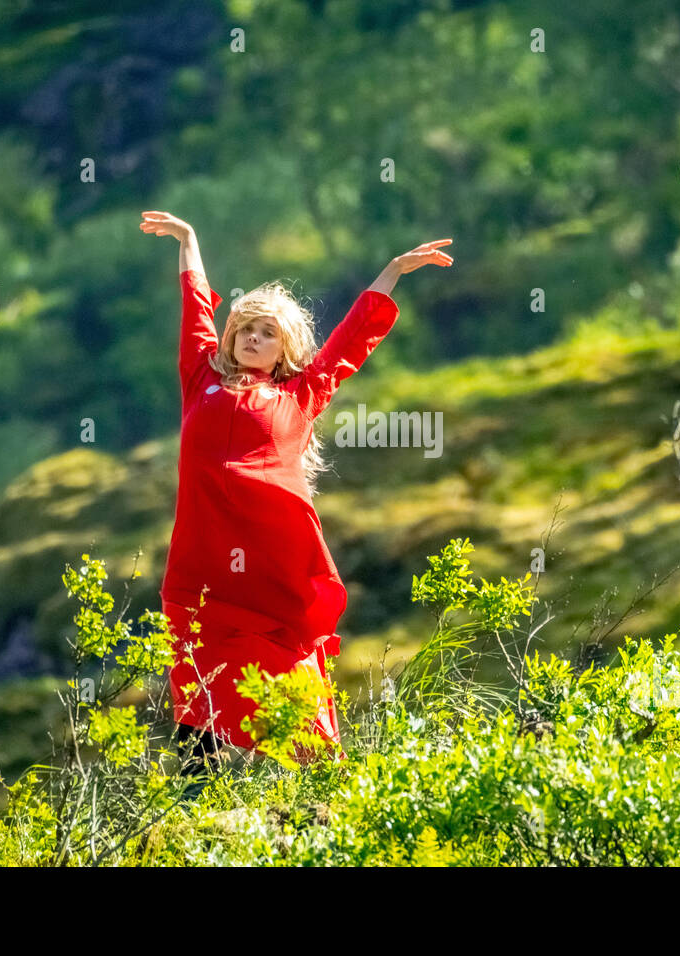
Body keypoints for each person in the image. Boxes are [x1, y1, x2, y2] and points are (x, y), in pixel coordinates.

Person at [139, 210, 452, 775]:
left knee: (291, 679)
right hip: (202, 563)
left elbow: (349, 342)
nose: (253, 339)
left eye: (267, 334)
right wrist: (188, 239)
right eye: (245, 330)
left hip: (272, 568)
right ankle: (190, 813)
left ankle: (320, 793)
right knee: (197, 689)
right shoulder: (199, 379)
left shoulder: (302, 395)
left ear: (283, 350)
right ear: (230, 337)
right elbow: (195, 308)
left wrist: (394, 271)